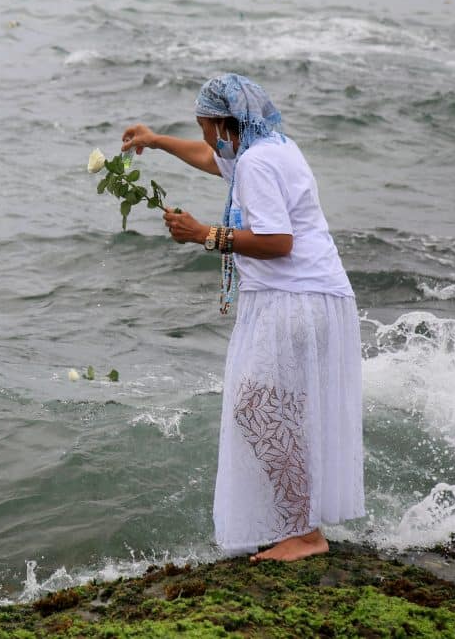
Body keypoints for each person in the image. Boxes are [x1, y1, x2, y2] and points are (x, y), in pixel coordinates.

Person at [121, 74, 365, 562]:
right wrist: (156, 141)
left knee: (256, 407)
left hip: (293, 298)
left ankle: (305, 532)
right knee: (280, 410)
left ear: (223, 123)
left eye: (205, 126)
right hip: (316, 296)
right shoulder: (273, 146)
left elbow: (278, 242)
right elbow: (210, 159)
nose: (206, 137)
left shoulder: (255, 163)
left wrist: (204, 235)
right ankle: (301, 524)